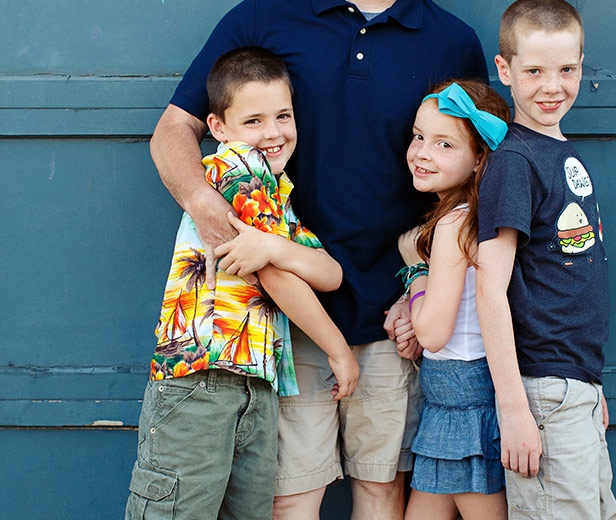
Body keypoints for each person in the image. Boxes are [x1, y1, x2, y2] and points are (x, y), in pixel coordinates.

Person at [147, 1, 489, 518]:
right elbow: (173, 128)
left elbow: (468, 175)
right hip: (285, 319)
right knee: (292, 495)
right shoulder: (263, 16)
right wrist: (207, 207)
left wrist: (421, 284)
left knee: (381, 487)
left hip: (392, 316)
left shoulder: (451, 40)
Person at [125, 46, 359, 520]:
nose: (272, 133)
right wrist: (338, 349)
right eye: (254, 121)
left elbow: (330, 273)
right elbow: (277, 278)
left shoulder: (277, 194)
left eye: (283, 116)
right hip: (200, 377)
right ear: (218, 127)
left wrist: (275, 247)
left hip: (256, 384)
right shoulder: (237, 167)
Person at [476, 0, 616, 518]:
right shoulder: (515, 161)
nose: (552, 86)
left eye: (566, 70)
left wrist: (588, 383)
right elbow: (490, 288)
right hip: (541, 392)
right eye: (534, 71)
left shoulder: (560, 150)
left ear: (581, 63)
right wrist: (515, 407)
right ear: (505, 69)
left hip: (574, 385)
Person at [394, 79, 509, 520]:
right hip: (450, 398)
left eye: (445, 144)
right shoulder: (471, 217)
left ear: (480, 159)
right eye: (418, 137)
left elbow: (433, 333)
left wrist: (415, 269)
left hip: (462, 400)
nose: (422, 153)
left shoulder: (454, 225)